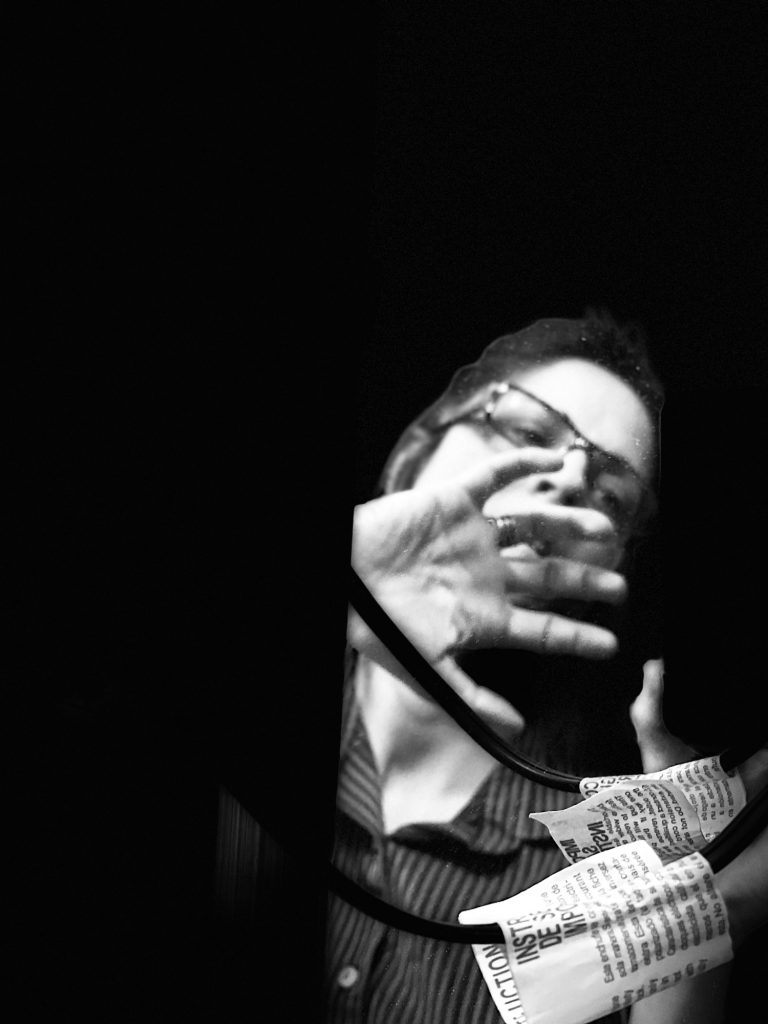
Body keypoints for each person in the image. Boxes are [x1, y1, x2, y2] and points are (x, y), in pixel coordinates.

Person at [329, 311, 768, 1024]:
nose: (567, 479)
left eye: (611, 495)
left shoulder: (605, 866)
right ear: (414, 449)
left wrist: (704, 897)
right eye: (530, 433)